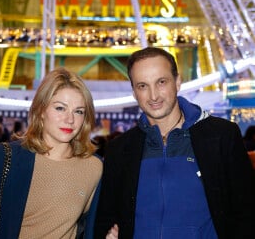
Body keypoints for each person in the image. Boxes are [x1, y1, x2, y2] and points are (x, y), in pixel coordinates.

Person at [93, 47, 255, 239]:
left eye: (161, 82)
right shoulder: (120, 149)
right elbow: (105, 219)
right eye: (142, 86)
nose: (153, 96)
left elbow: (247, 212)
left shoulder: (221, 136)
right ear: (134, 92)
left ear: (178, 82)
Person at [0, 67, 103, 238]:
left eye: (79, 111)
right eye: (60, 108)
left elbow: (94, 227)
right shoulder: (2, 159)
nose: (70, 119)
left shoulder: (94, 167)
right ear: (41, 111)